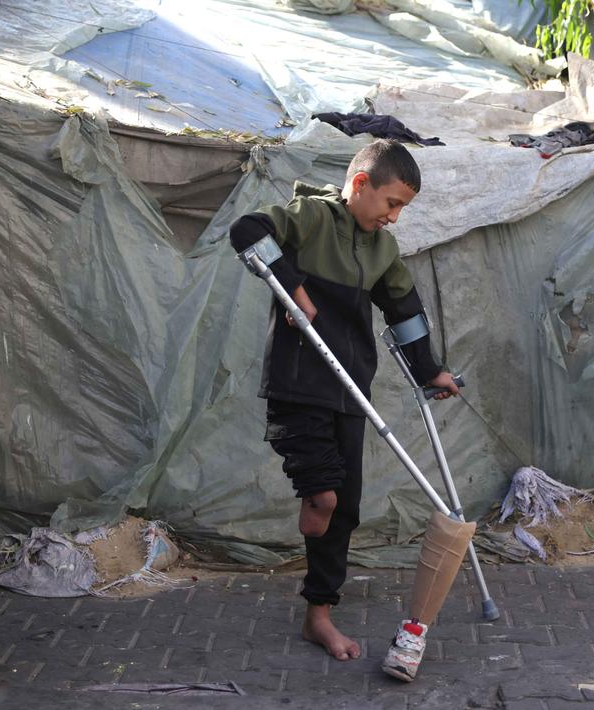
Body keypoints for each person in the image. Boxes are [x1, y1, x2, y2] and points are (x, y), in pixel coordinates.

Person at [229, 139, 459, 662]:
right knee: (325, 498)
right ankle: (315, 503)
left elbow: (405, 311)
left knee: (345, 507)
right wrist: (296, 292)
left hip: (350, 390)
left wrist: (431, 371)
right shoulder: (310, 217)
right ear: (360, 185)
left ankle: (318, 615)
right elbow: (247, 231)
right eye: (391, 203)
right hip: (298, 384)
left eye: (403, 208)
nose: (395, 217)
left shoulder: (382, 251)